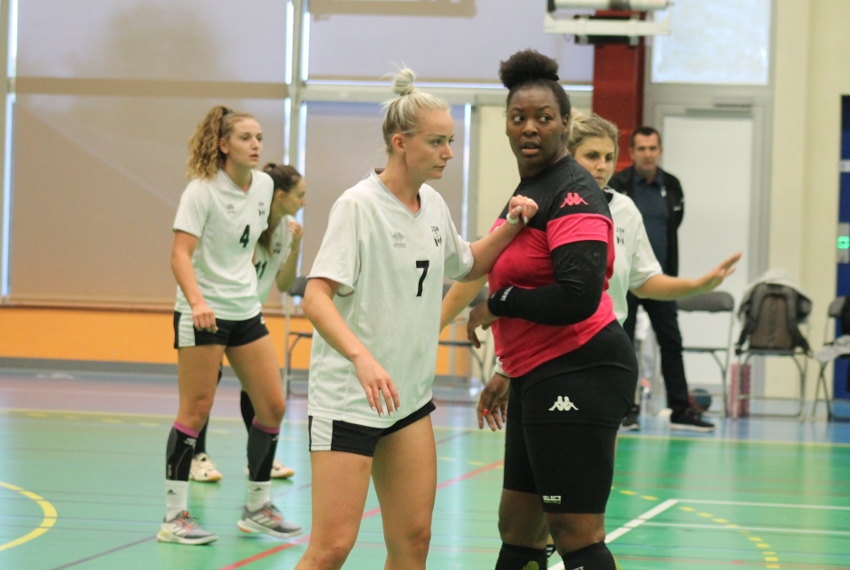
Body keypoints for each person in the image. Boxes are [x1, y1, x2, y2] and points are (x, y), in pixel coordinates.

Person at [293, 68, 537, 570]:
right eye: (437, 141)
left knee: (414, 539)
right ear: (400, 143)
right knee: (332, 549)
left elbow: (467, 263)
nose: (448, 152)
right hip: (349, 403)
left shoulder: (432, 205)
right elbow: (316, 298)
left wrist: (511, 225)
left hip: (408, 401)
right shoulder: (358, 207)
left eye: (450, 140)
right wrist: (362, 359)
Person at [450, 49, 637, 570]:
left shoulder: (574, 192)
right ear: (507, 127)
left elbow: (577, 297)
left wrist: (500, 303)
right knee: (518, 526)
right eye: (519, 118)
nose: (529, 128)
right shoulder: (531, 186)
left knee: (574, 530)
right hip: (536, 373)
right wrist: (508, 370)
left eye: (543, 118)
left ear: (563, 125)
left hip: (582, 368)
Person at [158, 105, 302, 545]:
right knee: (195, 410)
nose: (256, 144)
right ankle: (174, 517)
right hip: (203, 313)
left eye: (259, 137)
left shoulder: (262, 186)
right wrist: (198, 301)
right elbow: (180, 254)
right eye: (245, 137)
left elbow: (249, 240)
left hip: (245, 310)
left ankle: (257, 508)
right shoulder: (201, 191)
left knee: (272, 406)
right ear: (223, 145)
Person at [190, 163, 306, 483]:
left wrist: (295, 247)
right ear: (279, 195)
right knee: (203, 391)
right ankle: (196, 456)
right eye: (300, 195)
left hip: (248, 314)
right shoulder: (247, 220)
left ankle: (259, 461)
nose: (304, 202)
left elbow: (283, 285)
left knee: (259, 390)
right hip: (216, 311)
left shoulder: (286, 231)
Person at [608, 126, 713, 431]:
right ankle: (625, 409)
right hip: (625, 282)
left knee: (672, 342)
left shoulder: (673, 186)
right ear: (631, 153)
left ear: (660, 150)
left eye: (652, 148)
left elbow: (673, 225)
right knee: (622, 344)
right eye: (641, 149)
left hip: (659, 279)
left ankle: (681, 410)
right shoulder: (619, 185)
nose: (647, 154)